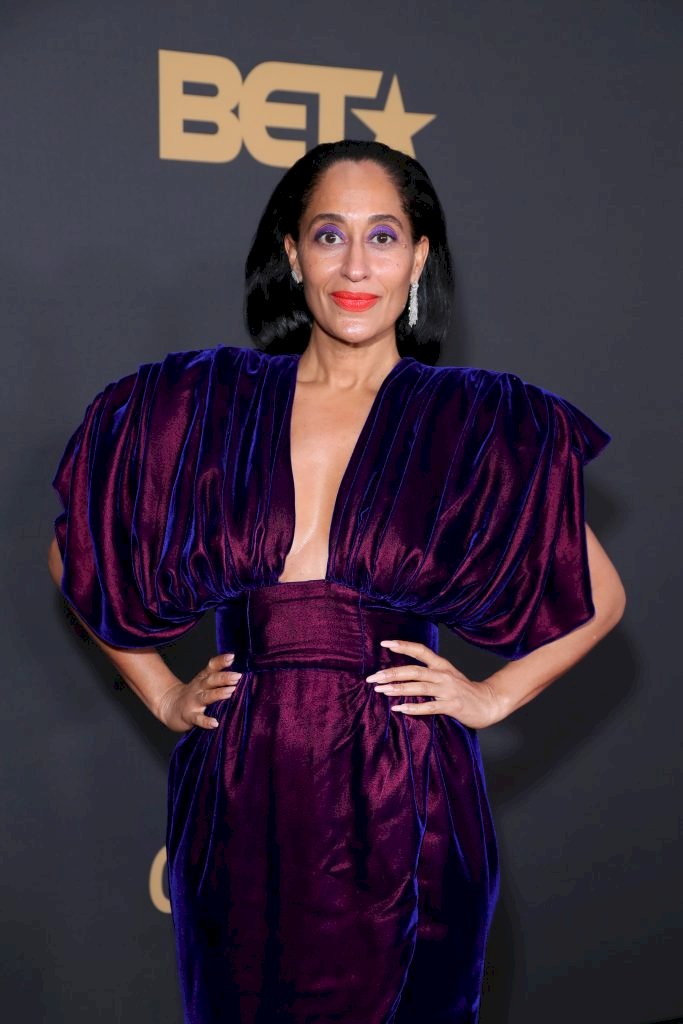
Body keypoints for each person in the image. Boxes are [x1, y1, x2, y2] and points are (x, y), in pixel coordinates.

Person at [48, 139, 626, 1024]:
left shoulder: (470, 419)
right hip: (238, 788)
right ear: (290, 254)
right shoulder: (203, 400)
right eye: (328, 236)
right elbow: (76, 553)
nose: (356, 266)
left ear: (419, 257)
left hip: (407, 790)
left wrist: (491, 698)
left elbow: (600, 597)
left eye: (383, 237)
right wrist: (162, 694)